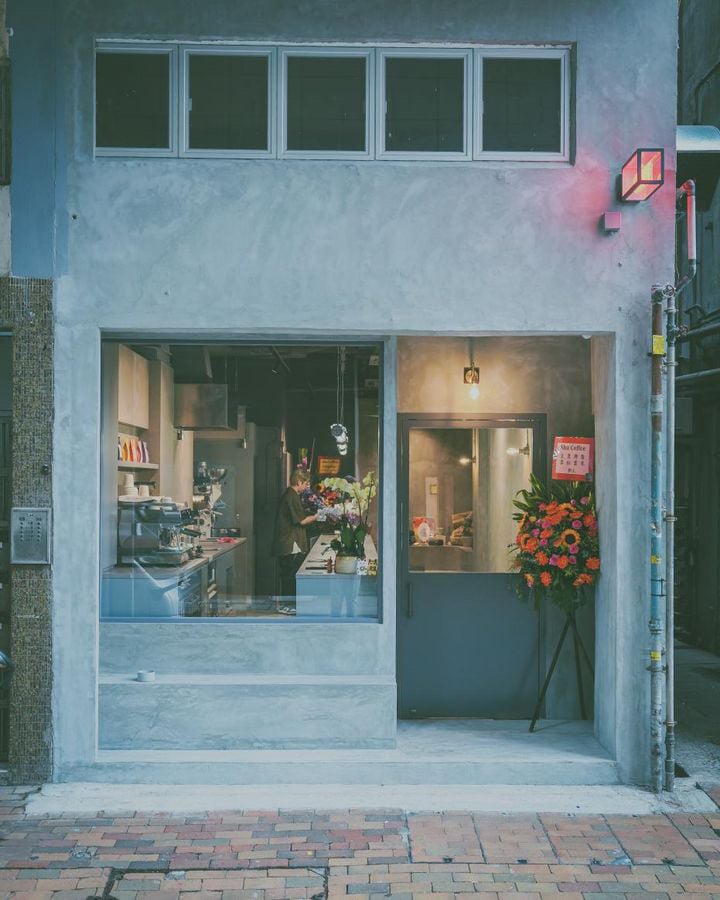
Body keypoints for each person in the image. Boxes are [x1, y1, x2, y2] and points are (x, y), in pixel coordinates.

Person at [272, 468, 318, 597]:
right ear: (299, 482)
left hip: (286, 543)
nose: (306, 487)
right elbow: (302, 521)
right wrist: (318, 515)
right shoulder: (292, 496)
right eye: (305, 483)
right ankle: (289, 603)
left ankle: (288, 603)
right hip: (289, 544)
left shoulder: (290, 495)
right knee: (290, 577)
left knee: (288, 577)